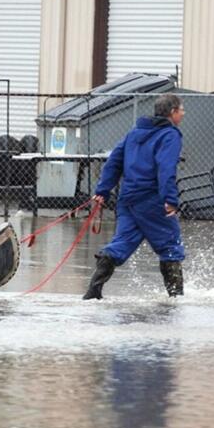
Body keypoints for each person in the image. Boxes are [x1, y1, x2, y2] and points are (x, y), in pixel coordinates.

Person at [84, 93, 185, 300]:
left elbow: (114, 162)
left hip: (128, 200)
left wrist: (102, 191)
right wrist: (170, 200)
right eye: (181, 109)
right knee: (170, 246)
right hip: (152, 201)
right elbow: (166, 168)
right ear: (172, 112)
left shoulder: (134, 133)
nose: (183, 113)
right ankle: (177, 299)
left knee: (121, 244)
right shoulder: (170, 135)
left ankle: (93, 291)